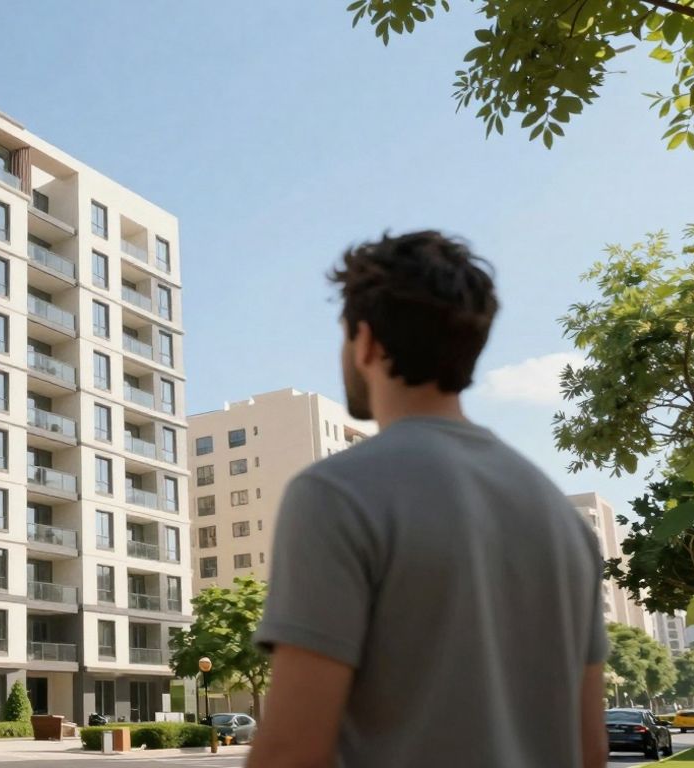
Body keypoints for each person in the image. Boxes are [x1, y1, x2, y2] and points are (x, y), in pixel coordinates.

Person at [245, 232, 608, 768]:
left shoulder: (334, 495)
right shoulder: (565, 521)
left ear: (365, 341)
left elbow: (290, 754)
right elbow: (591, 752)